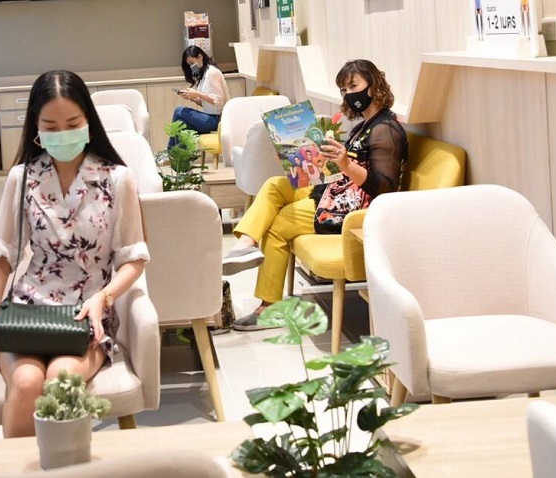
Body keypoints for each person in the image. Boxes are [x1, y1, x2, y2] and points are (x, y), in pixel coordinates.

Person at [0, 70, 148, 438]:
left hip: (87, 316)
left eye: (72, 124)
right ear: (36, 128)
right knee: (26, 381)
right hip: (28, 312)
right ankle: (15, 466)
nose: (63, 134)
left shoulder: (116, 179)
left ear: (88, 121)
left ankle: (62, 462)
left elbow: (134, 257)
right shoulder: (23, 177)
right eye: (51, 126)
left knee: (62, 379)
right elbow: (1, 257)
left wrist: (104, 298)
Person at [220, 59, 407, 331]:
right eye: (344, 90)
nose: (348, 94)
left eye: (353, 86)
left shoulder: (386, 130)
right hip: (336, 191)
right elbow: (345, 166)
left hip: (352, 210)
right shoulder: (366, 124)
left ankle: (269, 309)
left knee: (279, 223)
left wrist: (345, 164)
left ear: (374, 85)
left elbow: (384, 188)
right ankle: (245, 244)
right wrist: (301, 157)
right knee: (274, 186)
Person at [168, 46, 229, 150]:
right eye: (189, 64)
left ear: (200, 57)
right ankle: (180, 157)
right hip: (210, 117)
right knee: (181, 123)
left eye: (192, 63)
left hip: (217, 119)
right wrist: (192, 98)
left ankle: (170, 151)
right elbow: (208, 104)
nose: (191, 66)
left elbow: (220, 101)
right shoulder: (204, 75)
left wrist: (198, 94)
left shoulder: (212, 73)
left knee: (179, 111)